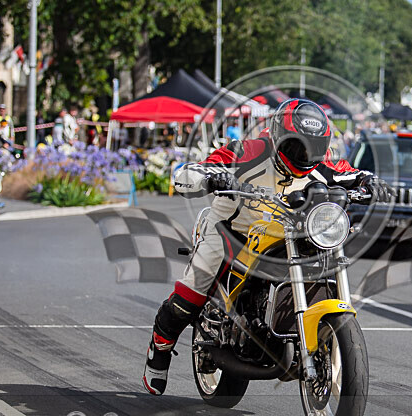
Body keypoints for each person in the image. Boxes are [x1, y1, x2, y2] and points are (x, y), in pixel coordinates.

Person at [142, 98, 392, 395]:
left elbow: (351, 173)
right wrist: (211, 177)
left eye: (313, 147)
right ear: (277, 137)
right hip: (232, 229)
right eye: (297, 147)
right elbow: (190, 172)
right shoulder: (246, 152)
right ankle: (159, 351)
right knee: (194, 289)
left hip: (289, 231)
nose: (304, 155)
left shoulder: (322, 164)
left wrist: (372, 183)